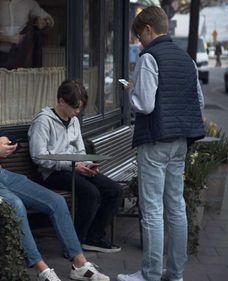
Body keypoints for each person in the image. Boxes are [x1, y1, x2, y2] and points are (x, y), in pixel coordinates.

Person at [0, 76, 110, 281]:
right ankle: (42, 268)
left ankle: (79, 264)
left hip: (2, 173)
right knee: (16, 205)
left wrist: (6, 139)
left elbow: (2, 134)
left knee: (56, 201)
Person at [118, 6, 204, 281]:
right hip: (180, 140)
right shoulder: (187, 59)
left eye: (138, 36)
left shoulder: (149, 57)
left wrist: (130, 91)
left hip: (154, 140)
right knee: (176, 207)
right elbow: (198, 103)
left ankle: (150, 274)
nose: (138, 42)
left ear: (147, 30)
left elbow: (145, 104)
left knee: (153, 209)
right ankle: (176, 274)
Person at [28, 79, 123, 253]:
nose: (77, 112)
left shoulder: (74, 121)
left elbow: (79, 150)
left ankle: (93, 237)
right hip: (53, 173)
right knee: (91, 194)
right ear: (62, 101)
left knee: (114, 190)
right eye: (75, 108)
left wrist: (88, 165)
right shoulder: (43, 121)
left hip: (74, 168)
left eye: (80, 108)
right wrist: (71, 165)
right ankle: (74, 244)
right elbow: (38, 156)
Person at [0, 0, 54, 68]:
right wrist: (9, 39)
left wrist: (44, 22)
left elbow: (49, 20)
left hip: (22, 57)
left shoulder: (29, 2)